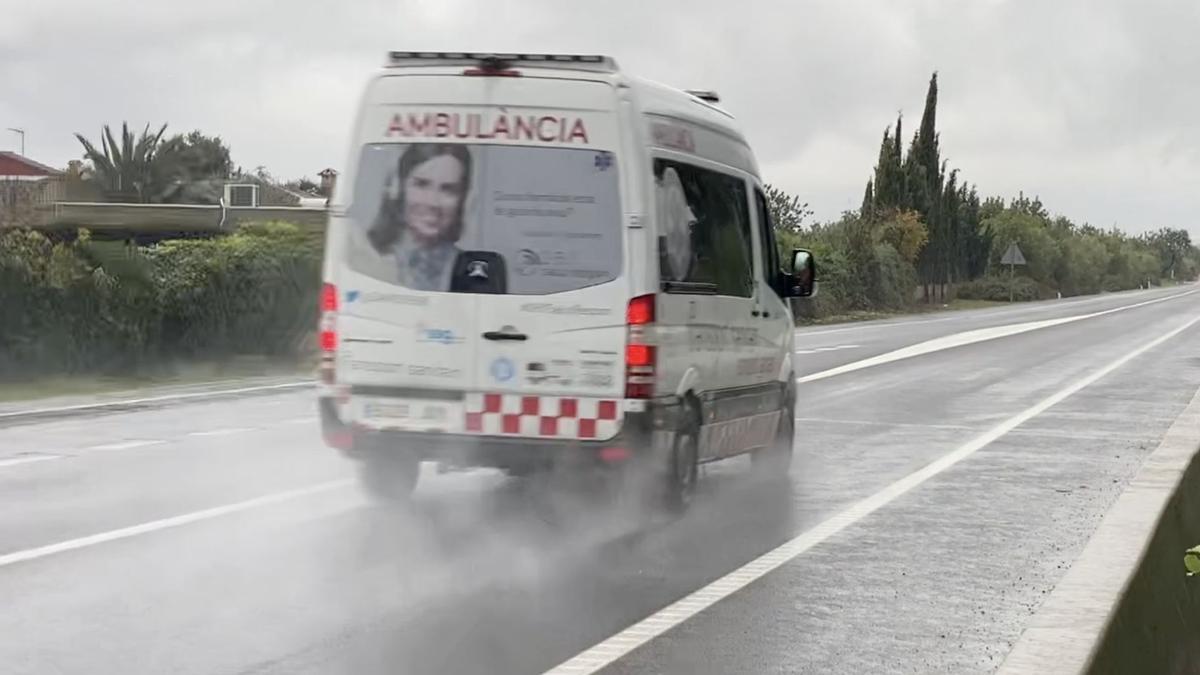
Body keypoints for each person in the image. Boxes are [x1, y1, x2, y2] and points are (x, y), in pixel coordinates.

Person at [365, 144, 473, 291]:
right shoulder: (366, 258)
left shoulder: (470, 271)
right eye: (421, 184)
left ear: (462, 198)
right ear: (400, 188)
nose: (433, 202)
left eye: (448, 190)